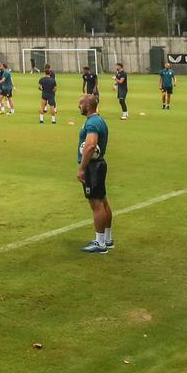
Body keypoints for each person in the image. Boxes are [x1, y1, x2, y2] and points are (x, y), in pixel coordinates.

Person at [76, 93, 112, 253]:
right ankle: (107, 239)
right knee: (103, 201)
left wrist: (82, 168)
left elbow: (90, 146)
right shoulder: (98, 120)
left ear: (87, 106)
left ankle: (100, 243)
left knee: (96, 204)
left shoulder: (92, 123)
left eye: (80, 104)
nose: (79, 106)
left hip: (93, 168)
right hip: (98, 165)